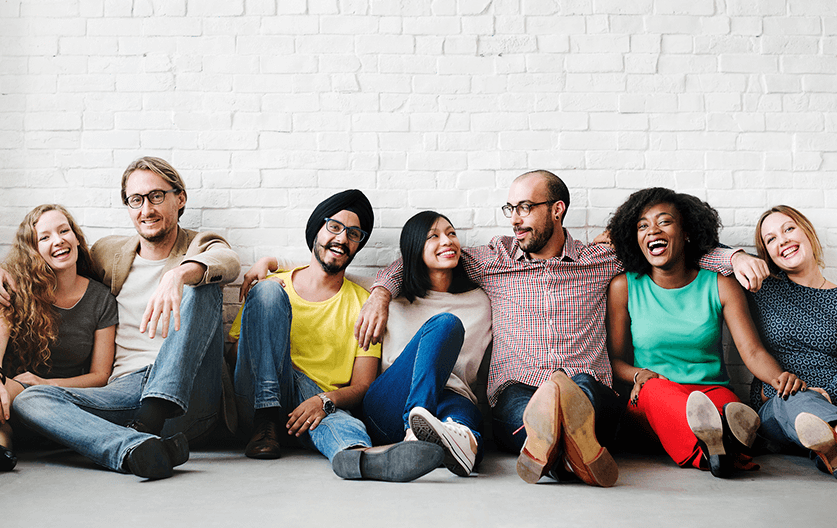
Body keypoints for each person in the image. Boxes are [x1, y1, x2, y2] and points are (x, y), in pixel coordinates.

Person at [356, 170, 769, 487]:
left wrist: (732, 259)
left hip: (589, 387)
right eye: (511, 209)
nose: (516, 219)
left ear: (557, 209)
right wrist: (380, 293)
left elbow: (668, 254)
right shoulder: (494, 259)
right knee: (526, 404)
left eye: (525, 207)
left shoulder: (600, 259)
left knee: (583, 389)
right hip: (516, 390)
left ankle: (551, 450)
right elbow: (421, 257)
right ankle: (575, 452)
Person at [1, 156, 240, 479]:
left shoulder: (199, 245)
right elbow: (53, 265)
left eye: (157, 196)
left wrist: (179, 275)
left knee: (203, 284)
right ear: (127, 207)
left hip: (190, 395)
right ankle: (134, 448)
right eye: (136, 200)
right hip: (125, 391)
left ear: (179, 198)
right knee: (30, 400)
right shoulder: (109, 252)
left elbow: (226, 260)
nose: (147, 209)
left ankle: (152, 418)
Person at [232, 189, 443, 482]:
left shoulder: (363, 304)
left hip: (313, 413)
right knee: (267, 293)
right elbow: (234, 354)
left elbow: (363, 385)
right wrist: (276, 358)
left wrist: (323, 400)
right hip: (256, 405)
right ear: (317, 229)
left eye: (354, 234)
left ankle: (360, 458)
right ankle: (268, 418)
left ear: (358, 245)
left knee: (337, 418)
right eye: (334, 227)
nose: (342, 239)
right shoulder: (272, 285)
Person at [605, 188, 804, 478]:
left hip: (711, 393)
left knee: (729, 409)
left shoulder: (721, 285)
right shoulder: (624, 287)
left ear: (686, 231)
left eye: (665, 222)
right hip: (654, 397)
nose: (653, 231)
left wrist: (779, 378)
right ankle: (717, 451)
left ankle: (719, 445)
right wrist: (638, 376)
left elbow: (752, 351)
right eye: (643, 225)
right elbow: (615, 361)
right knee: (659, 391)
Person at [360, 211, 492, 477]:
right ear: (414, 247)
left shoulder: (482, 301)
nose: (447, 241)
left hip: (451, 398)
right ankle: (414, 428)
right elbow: (331, 273)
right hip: (391, 402)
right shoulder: (391, 298)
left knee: (464, 421)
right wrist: (273, 262)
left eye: (452, 233)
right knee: (446, 325)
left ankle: (458, 446)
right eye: (434, 236)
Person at [0, 205, 117, 472]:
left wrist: (45, 384)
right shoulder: (16, 289)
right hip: (8, 397)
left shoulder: (101, 299)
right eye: (45, 237)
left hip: (61, 404)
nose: (58, 240)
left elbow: (101, 375)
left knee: (26, 394)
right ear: (34, 250)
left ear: (76, 237)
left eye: (64, 230)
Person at [749, 205, 837, 478]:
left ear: (807, 233)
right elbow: (702, 249)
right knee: (794, 398)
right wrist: (738, 257)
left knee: (812, 407)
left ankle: (830, 445)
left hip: (832, 402)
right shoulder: (763, 288)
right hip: (779, 402)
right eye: (771, 239)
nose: (783, 240)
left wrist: (825, 392)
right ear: (767, 254)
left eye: (788, 229)